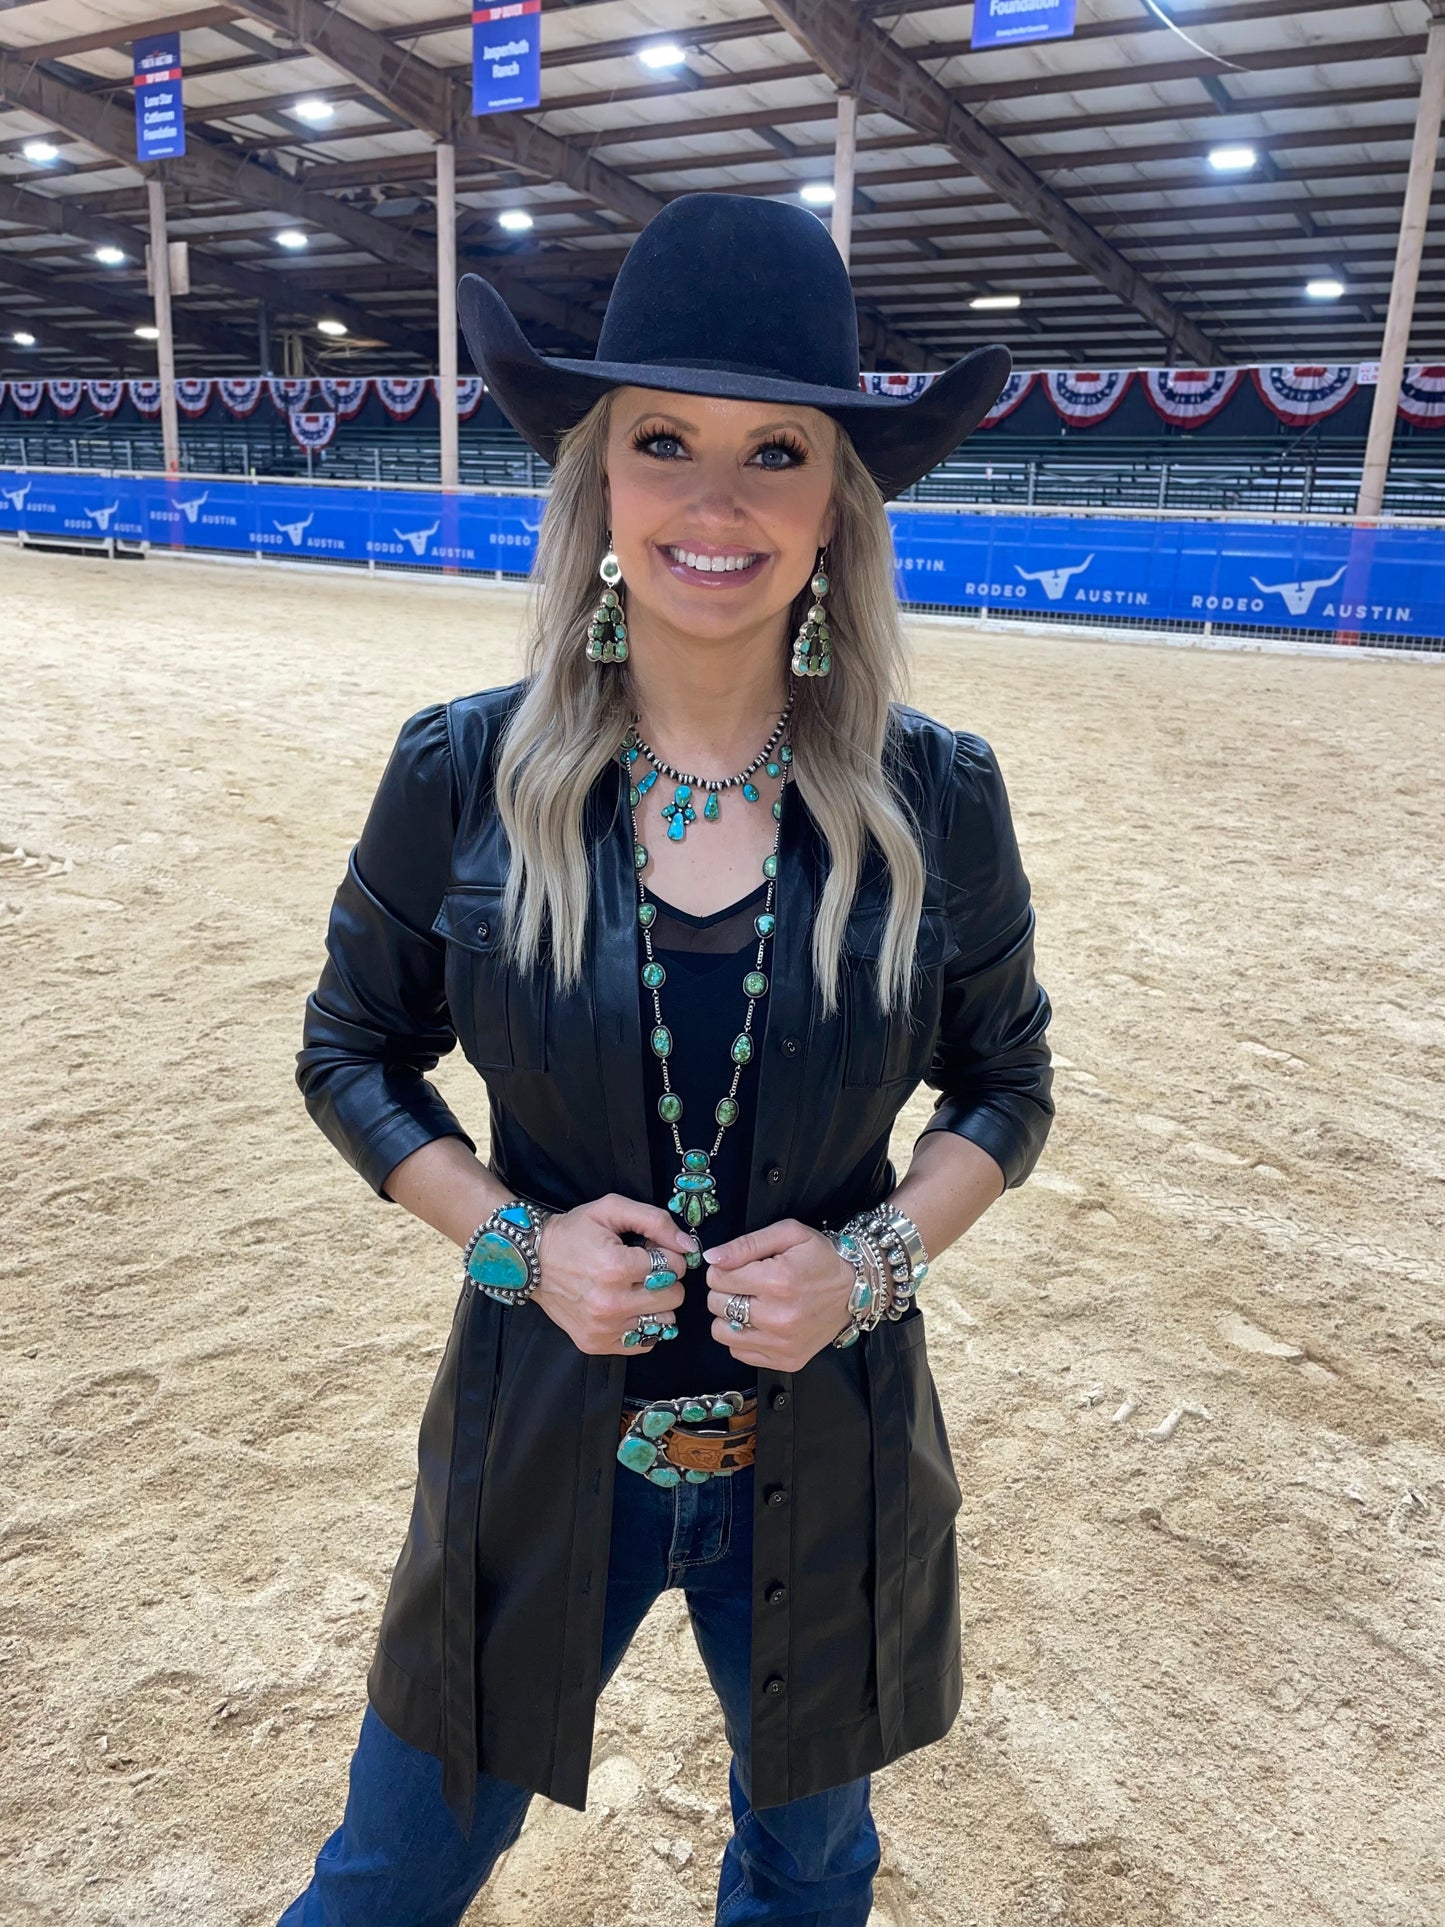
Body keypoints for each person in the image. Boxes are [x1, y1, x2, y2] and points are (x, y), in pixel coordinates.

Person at [278, 192, 1054, 1927]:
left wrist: (868, 1264)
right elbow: (352, 1050)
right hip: (535, 1422)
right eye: (662, 444)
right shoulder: (460, 774)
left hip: (831, 1435)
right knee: (394, 1865)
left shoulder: (941, 799)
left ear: (838, 501)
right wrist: (512, 1243)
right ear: (598, 483)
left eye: (775, 451)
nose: (716, 503)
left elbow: (1005, 1085)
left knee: (806, 1870)